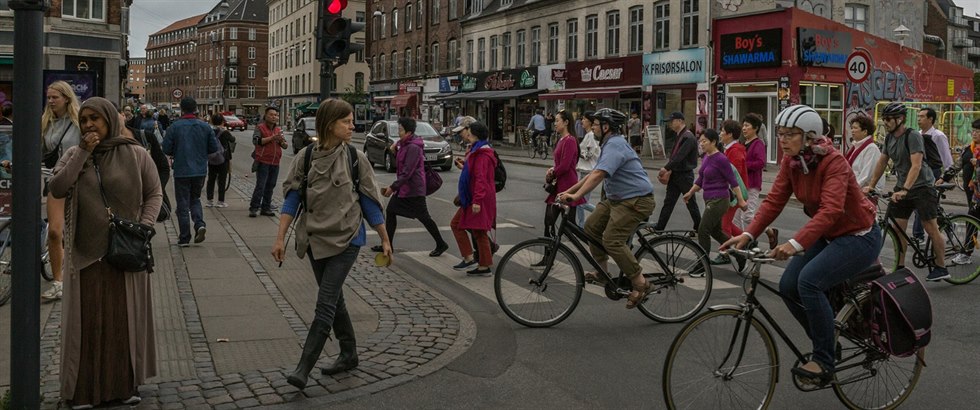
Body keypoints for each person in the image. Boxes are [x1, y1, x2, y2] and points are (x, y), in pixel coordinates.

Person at [721, 104, 880, 386]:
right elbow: (773, 202)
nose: (782, 140)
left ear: (809, 137)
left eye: (790, 134)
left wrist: (794, 243)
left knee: (808, 282)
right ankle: (828, 342)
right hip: (829, 235)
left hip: (858, 235)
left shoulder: (834, 162)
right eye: (780, 133)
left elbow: (831, 210)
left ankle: (823, 359)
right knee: (788, 286)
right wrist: (748, 234)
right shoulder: (791, 163)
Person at [48, 97, 161, 408]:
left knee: (122, 322)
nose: (88, 125)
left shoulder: (135, 153)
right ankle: (84, 390)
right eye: (84, 119)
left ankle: (123, 386)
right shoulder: (74, 153)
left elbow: (154, 192)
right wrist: (83, 151)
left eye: (95, 119)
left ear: (110, 120)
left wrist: (144, 227)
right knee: (88, 324)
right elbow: (57, 188)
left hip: (125, 251)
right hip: (86, 254)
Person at [272, 99, 390, 389]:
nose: (352, 126)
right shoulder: (306, 156)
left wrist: (385, 238)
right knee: (334, 299)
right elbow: (292, 199)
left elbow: (369, 201)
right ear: (329, 124)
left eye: (352, 121)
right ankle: (349, 354)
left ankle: (303, 368)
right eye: (346, 122)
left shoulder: (354, 157)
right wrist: (280, 238)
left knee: (325, 302)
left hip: (347, 238)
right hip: (314, 239)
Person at [558, 108, 656, 309]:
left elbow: (598, 175)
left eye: (595, 124)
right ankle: (603, 273)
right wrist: (569, 191)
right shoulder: (608, 144)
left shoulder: (616, 145)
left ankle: (640, 282)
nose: (592, 127)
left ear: (606, 126)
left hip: (635, 200)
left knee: (612, 239)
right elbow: (591, 174)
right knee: (591, 228)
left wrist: (576, 197)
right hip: (617, 199)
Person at [865, 102, 949, 281]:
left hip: (922, 186)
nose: (885, 122)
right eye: (884, 119)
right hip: (904, 186)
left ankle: (942, 267)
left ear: (900, 119)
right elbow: (882, 162)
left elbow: (916, 165)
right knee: (897, 227)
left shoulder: (912, 136)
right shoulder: (889, 138)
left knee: (930, 227)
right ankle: (900, 266)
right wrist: (871, 186)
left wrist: (905, 189)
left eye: (888, 119)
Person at [370, 117, 449, 257]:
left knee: (424, 217)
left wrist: (392, 188)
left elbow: (407, 171)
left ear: (408, 132)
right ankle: (388, 244)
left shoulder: (412, 147)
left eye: (400, 129)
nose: (398, 131)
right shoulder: (405, 143)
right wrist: (395, 149)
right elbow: (400, 163)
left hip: (413, 189)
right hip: (405, 189)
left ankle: (441, 243)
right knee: (391, 211)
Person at [40, 80, 81, 300]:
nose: (50, 101)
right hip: (55, 181)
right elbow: (39, 150)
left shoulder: (79, 121)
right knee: (55, 232)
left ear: (66, 98)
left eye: (55, 97)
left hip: (79, 181)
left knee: (81, 232)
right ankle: (58, 281)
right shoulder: (45, 122)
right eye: (48, 97)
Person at [684, 129, 746, 270]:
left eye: (704, 141)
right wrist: (690, 192)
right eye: (700, 141)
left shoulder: (721, 159)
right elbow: (701, 179)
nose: (702, 144)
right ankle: (739, 255)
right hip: (709, 199)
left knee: (703, 229)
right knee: (716, 232)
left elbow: (733, 181)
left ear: (713, 142)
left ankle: (702, 264)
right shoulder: (707, 157)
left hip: (719, 200)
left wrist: (741, 200)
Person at [162, 97, 219, 247]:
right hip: (200, 169)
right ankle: (199, 224)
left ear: (181, 109)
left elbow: (166, 148)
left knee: (182, 203)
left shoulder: (175, 127)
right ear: (195, 109)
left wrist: (176, 150)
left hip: (182, 169)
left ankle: (184, 237)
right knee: (195, 199)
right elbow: (214, 148)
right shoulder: (205, 126)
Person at [449, 120, 498, 276]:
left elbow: (481, 178)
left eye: (469, 133)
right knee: (475, 230)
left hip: (478, 198)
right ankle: (478, 262)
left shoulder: (482, 153)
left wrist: (477, 201)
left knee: (473, 230)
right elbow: (476, 173)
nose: (467, 135)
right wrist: (465, 167)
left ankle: (479, 263)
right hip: (473, 197)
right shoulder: (477, 150)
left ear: (476, 135)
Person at [654, 111, 700, 233]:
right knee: (668, 202)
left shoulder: (688, 137)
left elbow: (679, 156)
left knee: (690, 202)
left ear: (680, 121)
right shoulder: (680, 135)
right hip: (676, 174)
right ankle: (660, 227)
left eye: (673, 121)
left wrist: (666, 168)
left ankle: (699, 227)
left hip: (684, 175)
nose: (671, 124)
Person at [912, 107, 953, 241]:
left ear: (931, 119)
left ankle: (919, 235)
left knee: (925, 204)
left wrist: (944, 177)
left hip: (934, 172)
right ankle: (944, 226)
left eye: (922, 116)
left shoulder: (938, 136)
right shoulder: (917, 134)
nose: (919, 119)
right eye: (918, 116)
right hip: (920, 172)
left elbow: (947, 159)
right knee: (927, 206)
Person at [542, 111, 585, 238]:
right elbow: (560, 163)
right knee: (548, 222)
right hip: (558, 186)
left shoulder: (570, 140)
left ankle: (594, 247)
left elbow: (565, 166)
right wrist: (552, 169)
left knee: (570, 227)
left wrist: (553, 172)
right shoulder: (561, 140)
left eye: (557, 121)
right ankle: (547, 256)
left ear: (566, 122)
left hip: (568, 186)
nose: (554, 124)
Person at [743, 113, 778, 248]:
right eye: (743, 125)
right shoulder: (744, 143)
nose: (744, 128)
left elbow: (760, 163)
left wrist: (744, 165)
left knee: (748, 216)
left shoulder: (758, 143)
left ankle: (769, 231)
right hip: (743, 184)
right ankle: (747, 241)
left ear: (756, 128)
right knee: (740, 216)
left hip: (752, 184)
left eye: (747, 126)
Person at [250, 106, 288, 217]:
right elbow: (256, 141)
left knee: (271, 185)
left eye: (276, 115)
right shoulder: (260, 127)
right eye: (271, 115)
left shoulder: (278, 129)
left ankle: (265, 207)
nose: (274, 117)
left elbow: (285, 146)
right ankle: (254, 207)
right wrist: (272, 138)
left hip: (275, 161)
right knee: (261, 185)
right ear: (265, 116)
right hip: (263, 161)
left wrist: (281, 141)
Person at [720, 120, 747, 238]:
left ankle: (724, 253)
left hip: (734, 194)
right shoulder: (729, 149)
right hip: (732, 193)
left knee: (723, 225)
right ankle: (748, 243)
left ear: (729, 134)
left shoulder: (735, 151)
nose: (720, 134)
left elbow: (734, 175)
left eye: (722, 131)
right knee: (727, 223)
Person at [846, 115, 885, 192]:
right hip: (855, 190)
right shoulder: (856, 146)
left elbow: (866, 176)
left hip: (864, 194)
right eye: (852, 128)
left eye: (855, 128)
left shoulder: (871, 149)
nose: (852, 131)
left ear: (865, 132)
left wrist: (850, 190)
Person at [575, 111, 600, 226]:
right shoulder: (588, 135)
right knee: (579, 201)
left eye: (584, 119)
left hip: (588, 171)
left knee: (582, 202)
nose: (582, 121)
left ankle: (603, 215)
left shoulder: (591, 136)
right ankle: (580, 226)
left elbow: (588, 155)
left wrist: (577, 152)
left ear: (590, 122)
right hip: (584, 171)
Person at [206, 113, 236, 208]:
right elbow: (232, 139)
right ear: (223, 122)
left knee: (211, 179)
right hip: (223, 158)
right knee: (222, 180)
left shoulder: (209, 131)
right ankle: (220, 201)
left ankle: (209, 200)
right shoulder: (224, 132)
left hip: (211, 158)